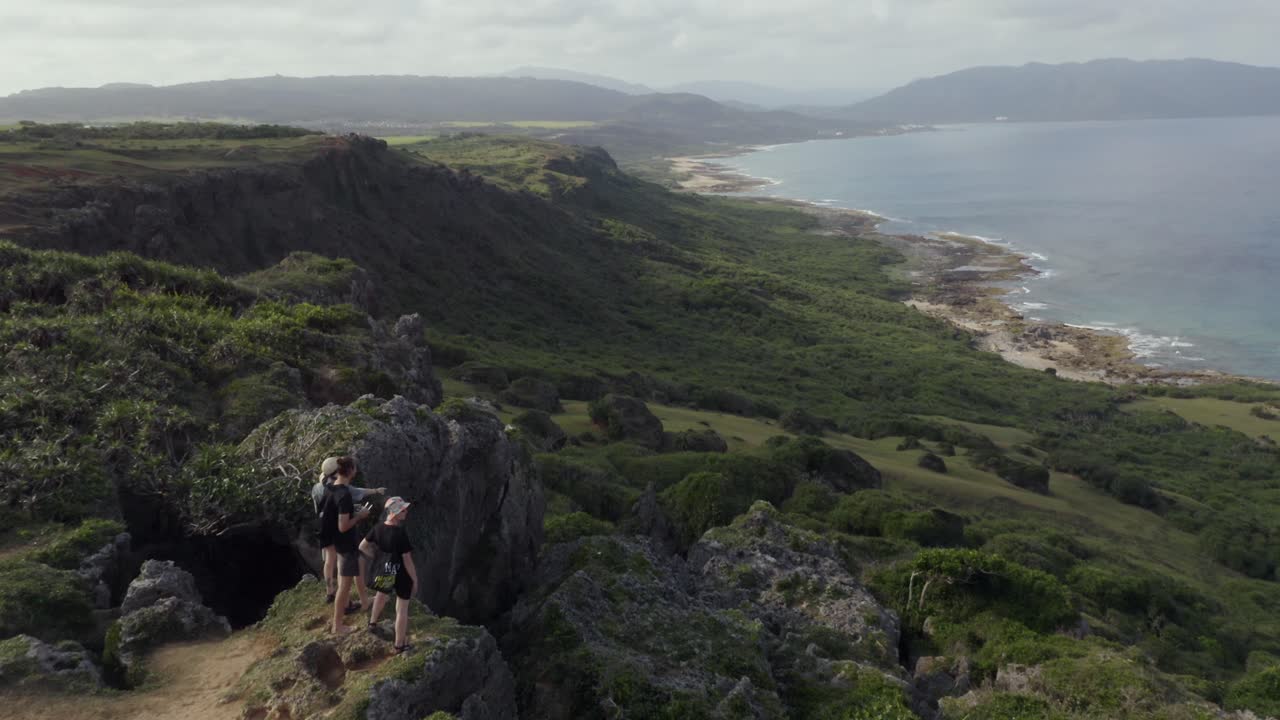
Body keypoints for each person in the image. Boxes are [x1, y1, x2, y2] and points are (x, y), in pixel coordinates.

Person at [313, 456, 385, 604]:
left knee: (329, 560)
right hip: (338, 529)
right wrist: (375, 493)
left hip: (323, 526)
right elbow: (358, 492)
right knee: (343, 564)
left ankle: (330, 592)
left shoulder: (318, 487)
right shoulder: (341, 490)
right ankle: (347, 603)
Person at [320, 456, 373, 634]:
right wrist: (360, 516)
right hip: (346, 545)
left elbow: (333, 516)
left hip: (338, 543)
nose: (356, 471)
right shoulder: (344, 495)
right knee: (344, 587)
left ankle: (364, 602)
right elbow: (343, 526)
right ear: (350, 470)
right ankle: (338, 626)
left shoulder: (330, 488)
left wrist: (352, 513)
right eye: (355, 468)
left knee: (349, 579)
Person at [359, 496, 419, 653]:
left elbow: (362, 546)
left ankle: (372, 623)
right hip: (401, 573)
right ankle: (399, 645)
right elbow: (407, 559)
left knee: (381, 594)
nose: (406, 511)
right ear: (395, 512)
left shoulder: (377, 528)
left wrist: (376, 557)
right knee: (402, 609)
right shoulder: (400, 533)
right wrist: (414, 579)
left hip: (385, 569)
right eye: (403, 509)